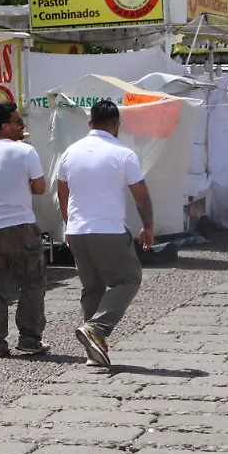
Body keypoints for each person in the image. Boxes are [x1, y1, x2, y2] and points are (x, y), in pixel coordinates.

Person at [56, 100, 155, 367]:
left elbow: (61, 190)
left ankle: (94, 353)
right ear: (115, 125)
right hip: (108, 229)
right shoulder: (123, 153)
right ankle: (97, 328)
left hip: (77, 230)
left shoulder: (70, 152)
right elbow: (141, 196)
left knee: (93, 287)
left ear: (90, 123)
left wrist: (68, 223)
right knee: (128, 279)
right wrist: (148, 226)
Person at [0, 102, 48, 358]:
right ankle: (29, 339)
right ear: (4, 126)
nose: (22, 125)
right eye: (18, 121)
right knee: (31, 283)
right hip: (20, 225)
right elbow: (40, 188)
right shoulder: (26, 152)